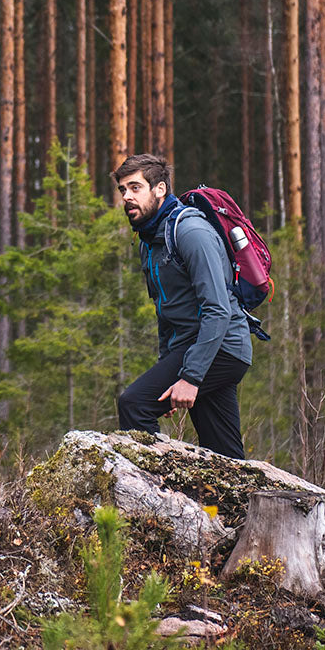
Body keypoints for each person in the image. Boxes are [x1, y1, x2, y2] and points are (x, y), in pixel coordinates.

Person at [113, 154, 252, 459]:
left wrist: (190, 377)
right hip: (196, 348)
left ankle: (149, 499)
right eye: (123, 190)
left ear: (160, 189)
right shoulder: (149, 241)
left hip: (223, 346)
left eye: (135, 188)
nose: (127, 197)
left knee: (134, 404)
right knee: (224, 455)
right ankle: (231, 508)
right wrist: (168, 367)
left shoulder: (190, 232)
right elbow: (166, 311)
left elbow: (218, 310)